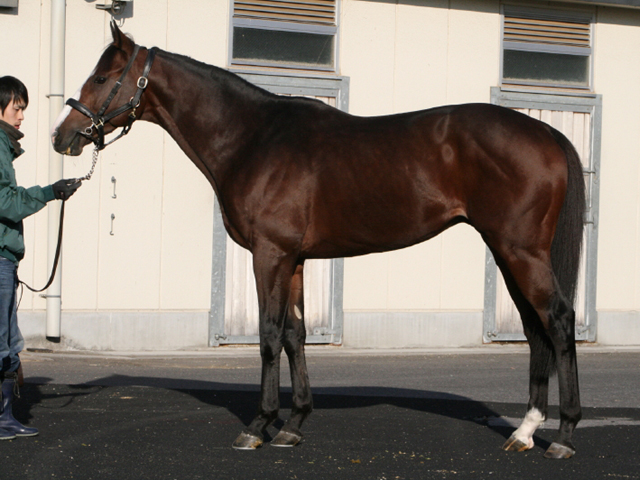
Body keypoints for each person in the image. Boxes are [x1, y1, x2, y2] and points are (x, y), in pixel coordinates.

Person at [0, 76, 81, 440]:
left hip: (5, 261)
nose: (22, 117)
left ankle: (5, 417)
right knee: (3, 345)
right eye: (17, 108)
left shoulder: (4, 147)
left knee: (9, 344)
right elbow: (5, 201)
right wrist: (50, 192)